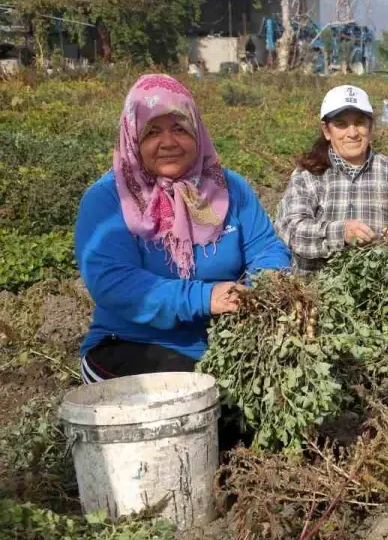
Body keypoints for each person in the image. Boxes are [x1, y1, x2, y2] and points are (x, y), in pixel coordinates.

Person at [75, 74, 292, 384]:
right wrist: (205, 298)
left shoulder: (229, 188)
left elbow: (267, 248)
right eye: (152, 132)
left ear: (197, 132)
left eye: (179, 128)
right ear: (133, 137)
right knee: (201, 393)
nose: (168, 142)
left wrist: (263, 287)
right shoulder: (109, 199)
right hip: (132, 344)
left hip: (223, 341)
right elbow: (113, 281)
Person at [275, 85, 388, 272]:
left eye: (359, 123)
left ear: (370, 127)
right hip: (316, 286)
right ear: (327, 131)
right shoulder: (308, 176)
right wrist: (340, 233)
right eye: (341, 124)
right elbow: (290, 230)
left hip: (381, 285)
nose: (352, 133)